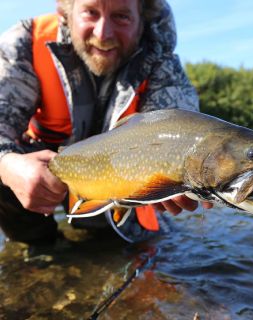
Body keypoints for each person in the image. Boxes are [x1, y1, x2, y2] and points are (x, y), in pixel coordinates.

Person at [0, 0, 212, 244]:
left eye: (121, 16)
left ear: (142, 19)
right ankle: (40, 248)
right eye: (91, 13)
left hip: (121, 179)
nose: (103, 34)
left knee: (134, 244)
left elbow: (183, 132)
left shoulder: (161, 62)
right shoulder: (25, 42)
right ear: (66, 12)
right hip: (43, 165)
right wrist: (6, 165)